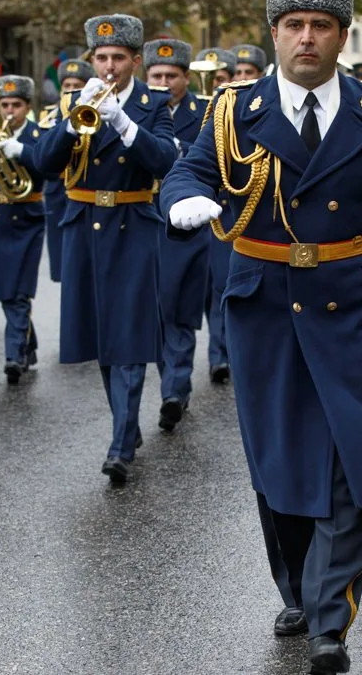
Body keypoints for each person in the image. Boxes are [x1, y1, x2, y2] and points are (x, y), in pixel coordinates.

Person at [159, 0, 362, 671]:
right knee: (278, 464)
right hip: (264, 306)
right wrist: (179, 204)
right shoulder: (232, 111)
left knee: (349, 458)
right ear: (274, 34)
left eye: (321, 25)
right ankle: (298, 587)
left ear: (341, 35)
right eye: (293, 26)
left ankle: (332, 622)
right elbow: (188, 173)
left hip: (351, 302)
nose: (307, 37)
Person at [33, 13, 176, 483]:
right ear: (91, 59)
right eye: (102, 57)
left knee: (129, 334)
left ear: (136, 60)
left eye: (119, 58)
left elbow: (166, 161)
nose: (110, 66)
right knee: (100, 336)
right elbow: (43, 164)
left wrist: (124, 122)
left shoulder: (154, 104)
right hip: (83, 225)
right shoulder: (74, 101)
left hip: (133, 223)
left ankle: (120, 444)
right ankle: (126, 423)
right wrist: (72, 126)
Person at [144, 38, 209, 431]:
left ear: (186, 77)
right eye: (156, 76)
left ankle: (176, 388)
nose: (164, 82)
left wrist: (175, 148)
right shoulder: (134, 110)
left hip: (184, 222)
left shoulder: (204, 113)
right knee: (153, 310)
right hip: (143, 218)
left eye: (172, 75)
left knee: (181, 309)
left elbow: (212, 154)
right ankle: (168, 380)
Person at [0, 75, 46, 384]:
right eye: (4, 104)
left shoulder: (37, 133)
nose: (9, 111)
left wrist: (19, 150)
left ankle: (13, 355)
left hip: (28, 217)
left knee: (19, 290)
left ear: (27, 107)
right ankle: (27, 344)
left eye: (16, 105)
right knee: (5, 290)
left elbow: (49, 166)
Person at [197, 46, 239, 385]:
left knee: (225, 286)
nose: (218, 86)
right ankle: (217, 354)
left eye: (223, 79)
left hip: (232, 213)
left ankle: (221, 354)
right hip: (195, 211)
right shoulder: (201, 111)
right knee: (204, 289)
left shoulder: (241, 113)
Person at [40, 59, 95, 284]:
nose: (72, 90)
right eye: (68, 86)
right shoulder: (50, 115)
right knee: (64, 265)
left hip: (84, 188)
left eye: (77, 85)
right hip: (58, 191)